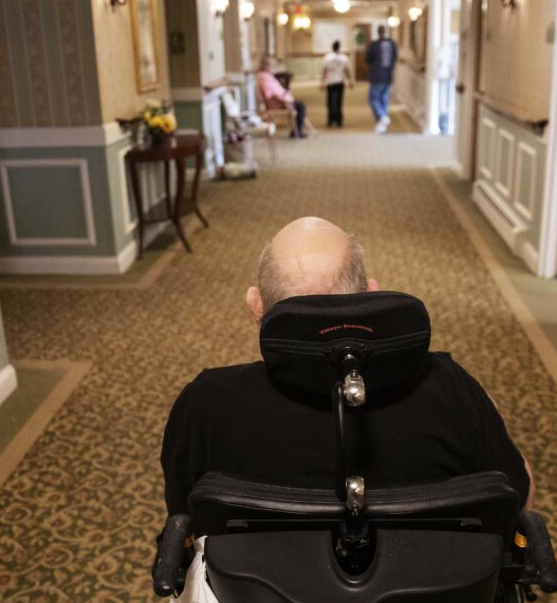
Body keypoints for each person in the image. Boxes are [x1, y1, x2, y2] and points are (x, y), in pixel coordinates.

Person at [161, 217, 535, 518]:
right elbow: (517, 500)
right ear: (369, 294)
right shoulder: (450, 387)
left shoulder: (206, 403)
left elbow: (183, 517)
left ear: (256, 306)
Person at [256, 56, 306, 138]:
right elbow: (270, 95)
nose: (274, 66)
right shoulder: (264, 77)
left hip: (282, 100)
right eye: (272, 64)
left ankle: (296, 130)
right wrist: (285, 100)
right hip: (277, 103)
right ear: (266, 66)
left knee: (299, 104)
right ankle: (297, 131)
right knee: (300, 106)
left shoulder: (268, 76)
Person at [365, 25, 398, 134]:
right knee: (384, 99)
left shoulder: (374, 45)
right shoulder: (392, 44)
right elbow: (394, 59)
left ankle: (382, 117)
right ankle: (382, 124)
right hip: (388, 76)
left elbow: (368, 59)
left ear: (378, 32)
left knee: (373, 99)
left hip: (377, 76)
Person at [320, 40, 354, 128]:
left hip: (330, 82)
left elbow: (325, 71)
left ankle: (330, 120)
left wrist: (322, 82)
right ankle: (339, 120)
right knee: (339, 102)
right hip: (340, 82)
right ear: (339, 47)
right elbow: (347, 71)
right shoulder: (344, 58)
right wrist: (350, 81)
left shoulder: (327, 57)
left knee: (330, 102)